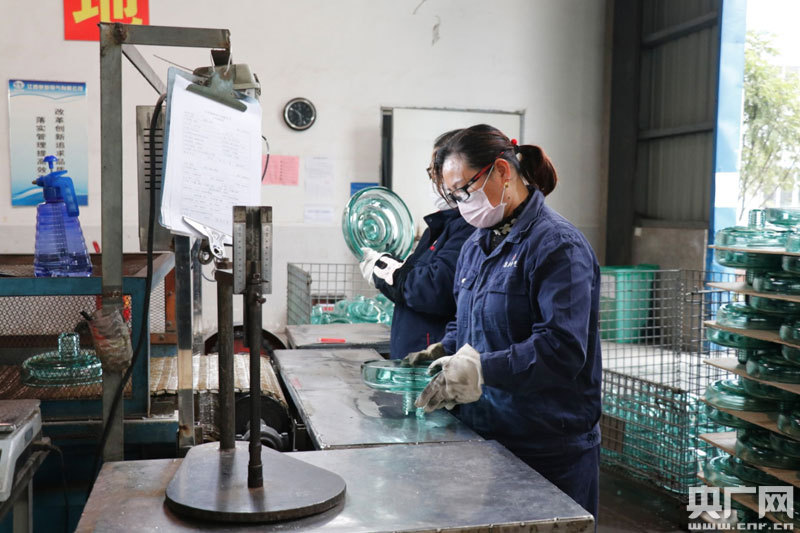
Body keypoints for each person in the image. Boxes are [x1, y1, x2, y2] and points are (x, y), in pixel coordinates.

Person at [411, 124, 602, 522]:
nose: (462, 204)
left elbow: (562, 350)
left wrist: (481, 369)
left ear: (501, 171)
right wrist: (446, 347)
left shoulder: (558, 247)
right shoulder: (476, 245)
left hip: (546, 446)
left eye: (465, 190)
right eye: (454, 196)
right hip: (486, 433)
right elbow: (469, 318)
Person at [359, 130, 475, 359]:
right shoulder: (441, 226)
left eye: (437, 171)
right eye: (431, 172)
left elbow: (433, 289)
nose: (434, 180)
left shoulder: (468, 228)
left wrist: (383, 271)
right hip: (415, 354)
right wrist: (389, 266)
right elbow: (414, 278)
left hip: (433, 358)